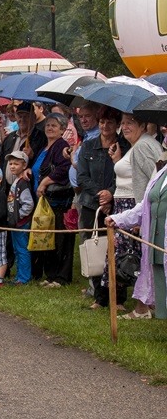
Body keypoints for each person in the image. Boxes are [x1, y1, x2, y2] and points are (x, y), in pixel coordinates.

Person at [99, 113, 160, 316]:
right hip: (130, 207)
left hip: (137, 207)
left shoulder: (143, 146)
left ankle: (143, 307)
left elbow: (154, 181)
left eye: (130, 123)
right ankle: (144, 305)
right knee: (136, 259)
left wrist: (141, 217)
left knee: (136, 260)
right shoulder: (138, 145)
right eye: (123, 123)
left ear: (142, 125)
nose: (124, 127)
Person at [105, 158, 167, 319]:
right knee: (161, 286)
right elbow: (145, 206)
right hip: (156, 240)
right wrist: (119, 219)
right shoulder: (162, 173)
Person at [77, 107, 126, 304]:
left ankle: (118, 298)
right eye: (102, 122)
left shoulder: (124, 146)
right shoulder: (88, 146)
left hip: (117, 205)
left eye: (110, 122)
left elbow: (125, 173)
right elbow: (82, 176)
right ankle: (99, 297)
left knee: (117, 250)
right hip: (91, 205)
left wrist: (111, 193)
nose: (105, 126)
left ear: (117, 125)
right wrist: (101, 196)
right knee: (94, 247)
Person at [29, 113, 74, 287]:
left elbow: (64, 168)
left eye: (54, 125)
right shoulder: (45, 147)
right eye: (48, 125)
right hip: (44, 200)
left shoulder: (61, 145)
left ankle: (61, 277)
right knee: (49, 237)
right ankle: (50, 274)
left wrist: (45, 182)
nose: (49, 128)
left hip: (58, 201)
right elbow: (38, 168)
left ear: (62, 130)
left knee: (60, 239)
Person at [5, 151, 35, 286]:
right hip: (14, 222)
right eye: (10, 164)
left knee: (22, 250)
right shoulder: (16, 181)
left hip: (21, 223)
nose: (12, 166)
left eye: (16, 164)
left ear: (24, 165)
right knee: (17, 249)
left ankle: (24, 278)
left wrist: (18, 216)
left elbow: (28, 204)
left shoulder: (23, 183)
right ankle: (19, 275)